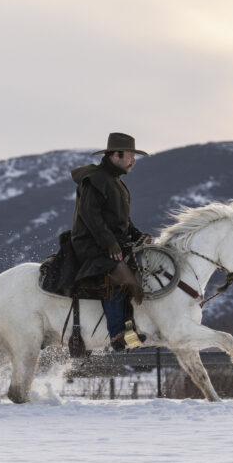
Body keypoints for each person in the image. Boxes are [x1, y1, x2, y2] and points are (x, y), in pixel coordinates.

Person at [70, 132, 148, 350]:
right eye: (130, 156)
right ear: (116, 155)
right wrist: (109, 243)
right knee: (117, 273)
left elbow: (121, 220)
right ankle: (117, 334)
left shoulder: (117, 183)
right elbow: (90, 214)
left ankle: (134, 328)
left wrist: (136, 234)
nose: (133, 161)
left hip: (109, 241)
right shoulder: (95, 179)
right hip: (90, 243)